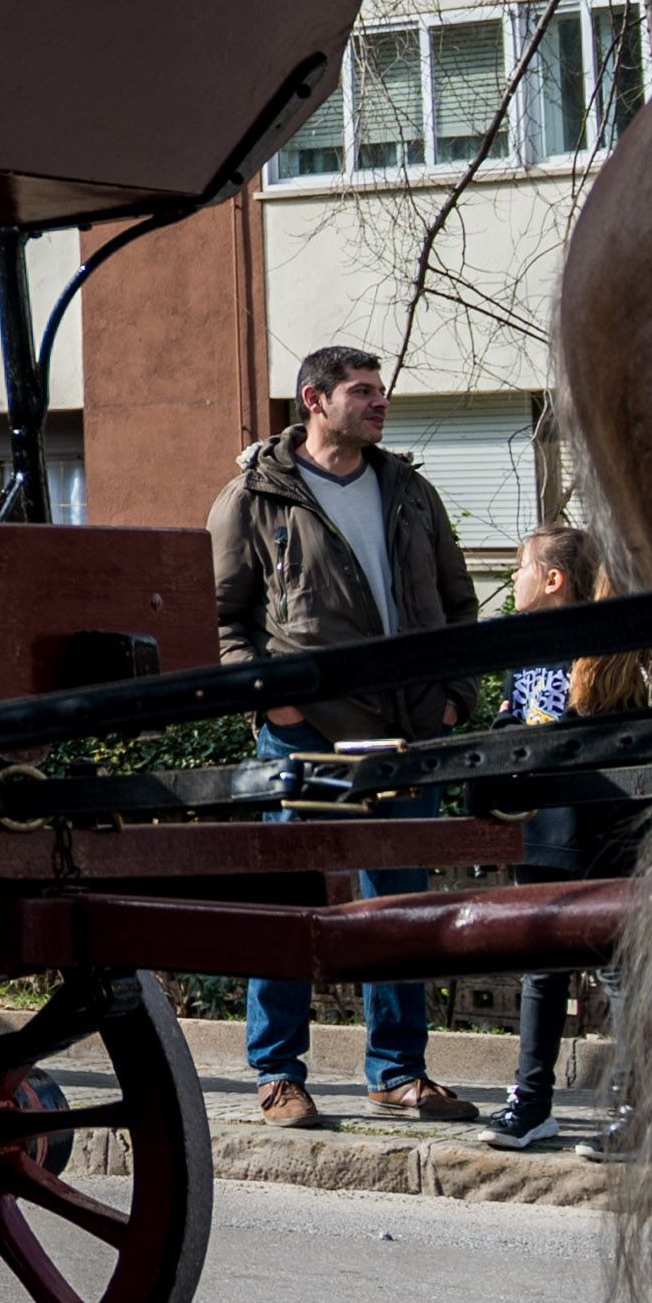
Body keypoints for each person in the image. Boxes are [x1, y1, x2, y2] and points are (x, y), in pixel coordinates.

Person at [209, 345, 481, 1129]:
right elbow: (225, 622)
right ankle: (278, 1075)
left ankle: (398, 1072)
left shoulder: (412, 492)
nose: (379, 403)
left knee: (401, 912)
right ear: (314, 401)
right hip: (306, 740)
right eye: (362, 392)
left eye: (381, 391)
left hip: (410, 736)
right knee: (295, 910)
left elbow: (460, 606)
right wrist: (277, 711)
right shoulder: (254, 498)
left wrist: (454, 701)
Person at [486, 530, 652, 1152]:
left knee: (619, 974)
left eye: (520, 568)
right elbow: (517, 717)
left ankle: (640, 1107)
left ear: (553, 580)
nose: (513, 581)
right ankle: (531, 1103)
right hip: (540, 833)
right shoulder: (529, 647)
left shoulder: (612, 649)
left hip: (596, 832)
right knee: (542, 972)